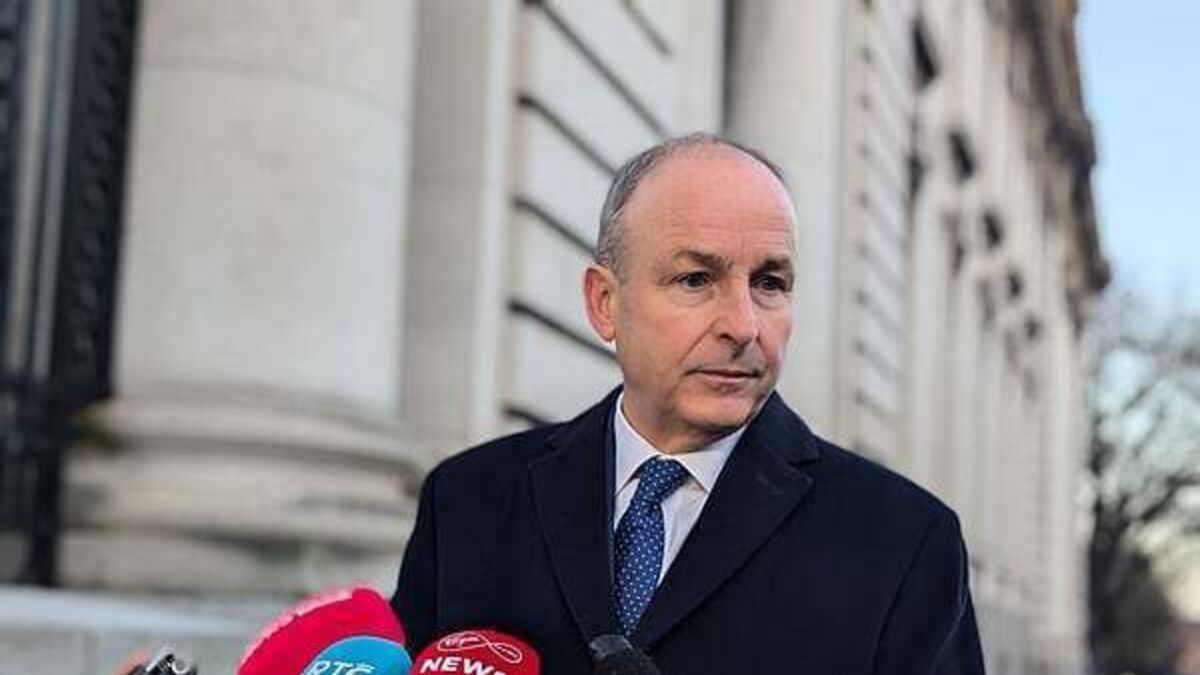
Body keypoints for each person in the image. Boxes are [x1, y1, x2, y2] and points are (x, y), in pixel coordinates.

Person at [392, 133, 985, 674]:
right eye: (696, 279)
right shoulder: (467, 501)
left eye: (770, 283)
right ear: (604, 303)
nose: (743, 326)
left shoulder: (903, 543)